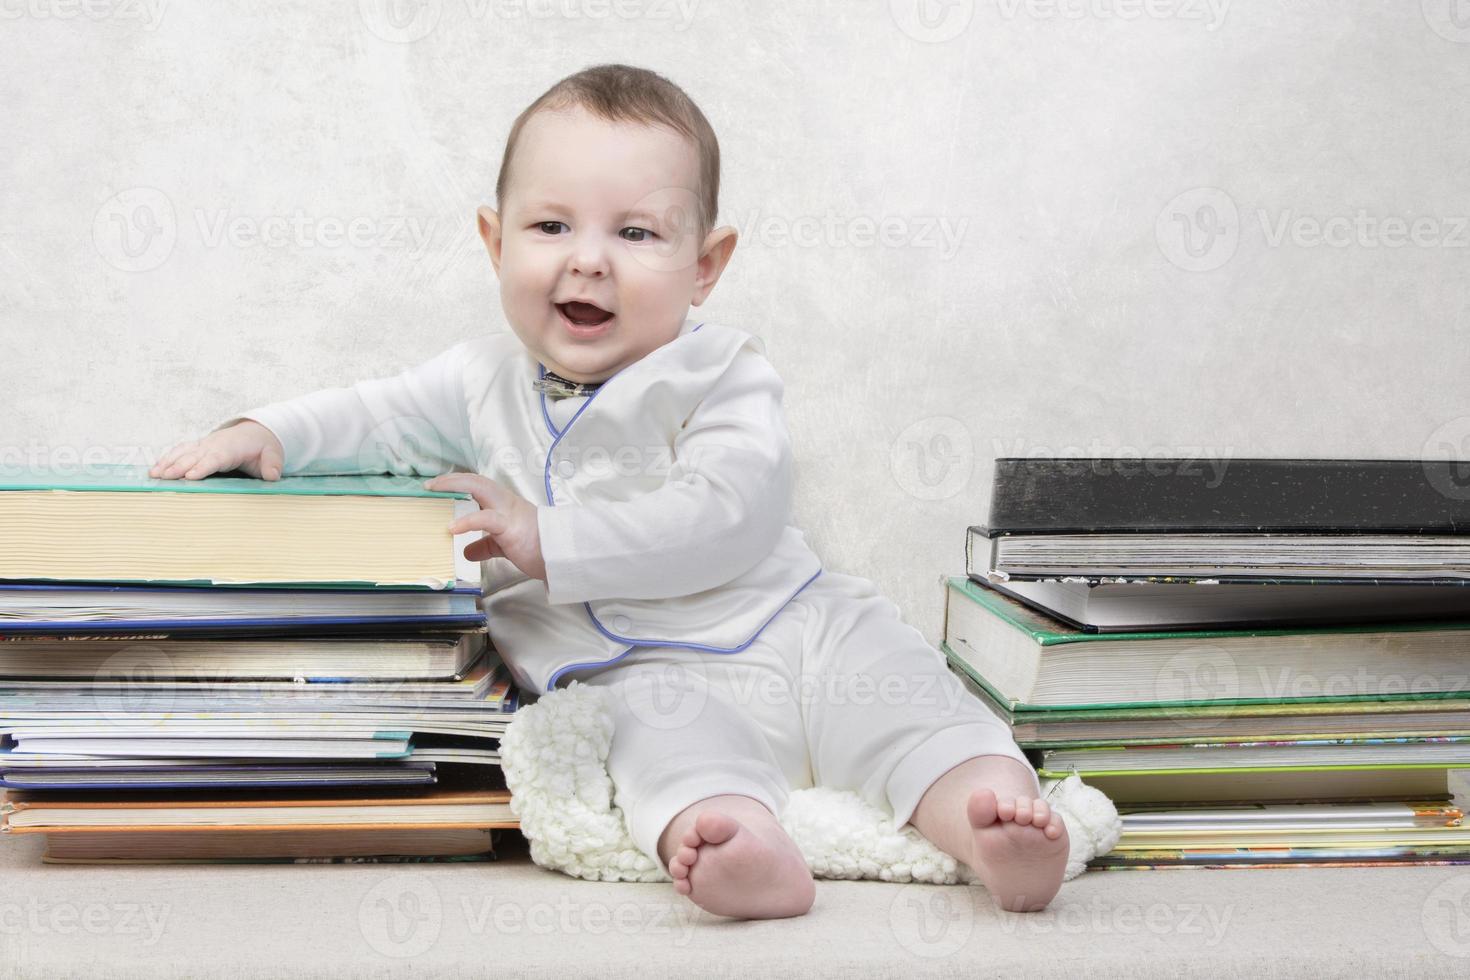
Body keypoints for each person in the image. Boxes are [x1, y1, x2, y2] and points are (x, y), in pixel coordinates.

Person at [149, 63, 1069, 919]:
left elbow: (728, 512)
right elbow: (371, 418)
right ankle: (740, 844)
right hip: (640, 671)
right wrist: (268, 431)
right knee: (657, 746)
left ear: (704, 264)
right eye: (551, 227)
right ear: (493, 239)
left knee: (902, 695)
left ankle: (990, 819)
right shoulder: (479, 380)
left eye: (635, 233)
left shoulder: (720, 373)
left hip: (796, 627)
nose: (588, 259)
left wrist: (551, 539)